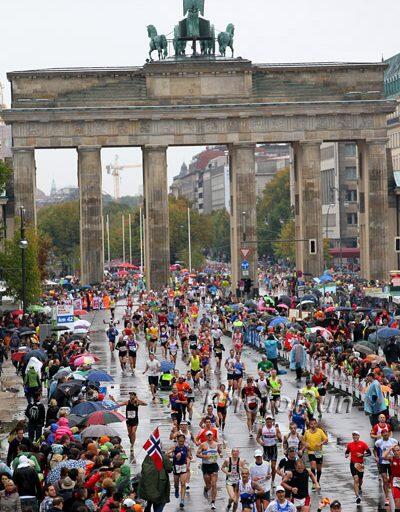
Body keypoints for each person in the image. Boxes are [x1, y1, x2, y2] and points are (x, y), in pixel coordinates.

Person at [197, 430, 222, 510]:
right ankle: (206, 489)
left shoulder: (216, 444)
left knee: (214, 484)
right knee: (209, 485)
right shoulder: (203, 445)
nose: (209, 436)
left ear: (213, 435)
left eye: (210, 435)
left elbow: (220, 453)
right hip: (206, 466)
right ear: (206, 436)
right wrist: (204, 456)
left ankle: (213, 502)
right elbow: (197, 454)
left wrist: (220, 451)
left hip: (214, 465)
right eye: (208, 435)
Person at [345, 431, 371, 504]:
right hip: (353, 464)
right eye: (353, 435)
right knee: (355, 479)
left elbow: (369, 453)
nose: (355, 437)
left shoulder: (363, 444)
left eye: (356, 435)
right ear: (352, 436)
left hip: (360, 464)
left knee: (360, 480)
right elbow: (347, 451)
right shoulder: (350, 444)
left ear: (359, 436)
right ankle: (357, 497)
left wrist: (362, 455)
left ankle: (359, 487)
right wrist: (346, 455)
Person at [119, 392, 147, 461]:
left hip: (135, 420)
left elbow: (145, 404)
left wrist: (138, 400)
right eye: (130, 395)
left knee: (133, 432)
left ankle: (132, 445)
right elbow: (119, 404)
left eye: (132, 395)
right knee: (130, 434)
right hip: (128, 420)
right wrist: (113, 400)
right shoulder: (127, 402)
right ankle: (131, 441)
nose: (130, 396)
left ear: (134, 396)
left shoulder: (136, 402)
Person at [374, 429, 399, 506]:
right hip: (383, 462)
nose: (385, 434)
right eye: (384, 433)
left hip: (392, 462)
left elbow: (398, 448)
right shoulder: (378, 442)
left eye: (386, 433)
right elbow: (375, 450)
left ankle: (393, 492)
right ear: (381, 435)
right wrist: (376, 457)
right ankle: (387, 497)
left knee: (391, 480)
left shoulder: (394, 441)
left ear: (388, 433)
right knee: (385, 480)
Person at [256, 416, 282, 486]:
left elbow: (280, 440)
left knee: (273, 466)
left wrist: (278, 437)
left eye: (270, 421)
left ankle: (272, 481)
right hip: (266, 449)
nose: (269, 423)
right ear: (266, 421)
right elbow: (257, 438)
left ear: (272, 421)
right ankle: (266, 480)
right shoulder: (262, 429)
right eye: (267, 421)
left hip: (273, 448)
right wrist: (260, 442)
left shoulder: (275, 429)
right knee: (266, 466)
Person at [168, 433, 191, 509]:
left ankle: (182, 500)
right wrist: (174, 456)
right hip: (176, 467)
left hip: (183, 467)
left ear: (184, 441)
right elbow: (167, 454)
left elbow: (189, 456)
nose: (181, 443)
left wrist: (188, 462)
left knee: (183, 483)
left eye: (183, 441)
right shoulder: (174, 447)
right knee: (176, 483)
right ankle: (176, 489)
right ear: (177, 440)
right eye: (180, 441)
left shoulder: (186, 448)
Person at [303, 418, 328, 487]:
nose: (313, 425)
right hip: (310, 451)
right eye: (311, 424)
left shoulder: (320, 431)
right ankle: (314, 482)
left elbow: (326, 439)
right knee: (313, 467)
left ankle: (318, 481)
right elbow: (303, 440)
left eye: (314, 424)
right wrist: (306, 444)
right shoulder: (307, 432)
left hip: (318, 452)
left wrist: (320, 443)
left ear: (316, 424)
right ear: (309, 425)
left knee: (319, 469)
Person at [221, 448, 246, 512]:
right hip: (229, 482)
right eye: (234, 451)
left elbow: (245, 470)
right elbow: (222, 467)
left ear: (238, 453)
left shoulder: (241, 461)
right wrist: (227, 472)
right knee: (233, 498)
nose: (235, 453)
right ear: (231, 453)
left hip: (238, 482)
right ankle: (229, 504)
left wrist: (242, 469)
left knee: (236, 501)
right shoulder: (227, 460)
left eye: (236, 451)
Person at [383, 443, 400, 511]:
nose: (396, 452)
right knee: (397, 502)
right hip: (395, 482)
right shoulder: (392, 458)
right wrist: (390, 448)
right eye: (395, 451)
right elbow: (383, 456)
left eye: (398, 450)